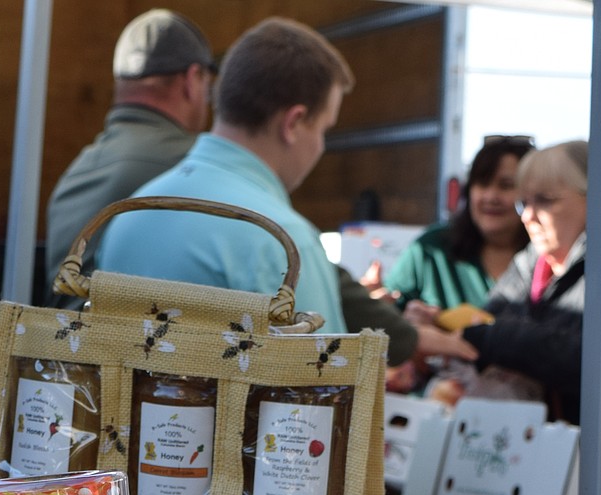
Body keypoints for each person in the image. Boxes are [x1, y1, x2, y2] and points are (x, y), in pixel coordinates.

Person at [94, 17, 474, 369]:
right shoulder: (283, 242)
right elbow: (322, 397)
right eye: (324, 128)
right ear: (293, 124)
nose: (321, 146)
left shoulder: (129, 213)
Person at [455, 140, 601, 425]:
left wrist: (488, 336)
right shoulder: (533, 261)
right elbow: (490, 319)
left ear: (596, 199)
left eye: (544, 200)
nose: (528, 216)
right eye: (524, 202)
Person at [44, 10, 217, 296]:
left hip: (64, 337)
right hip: (135, 339)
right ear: (192, 79)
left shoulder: (76, 172)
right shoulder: (192, 164)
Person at [386, 135, 530, 312]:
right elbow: (386, 317)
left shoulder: (549, 259)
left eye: (506, 185)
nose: (491, 196)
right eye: (482, 184)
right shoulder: (430, 249)